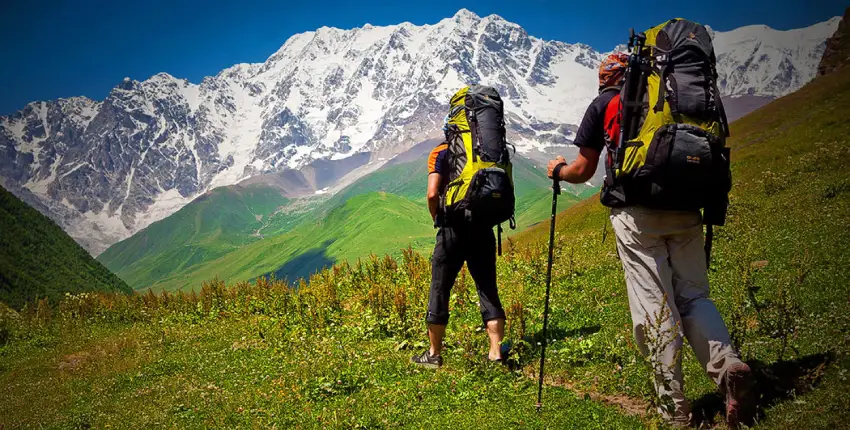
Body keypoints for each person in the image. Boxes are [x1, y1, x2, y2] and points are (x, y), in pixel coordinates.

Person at [546, 53, 753, 428]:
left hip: (637, 214)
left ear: (605, 78)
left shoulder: (607, 102)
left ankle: (674, 410)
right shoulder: (676, 100)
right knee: (694, 297)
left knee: (656, 309)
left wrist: (558, 171)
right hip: (688, 209)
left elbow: (584, 168)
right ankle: (728, 365)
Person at [410, 128, 507, 368]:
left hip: (452, 230)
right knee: (487, 289)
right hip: (483, 229)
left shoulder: (441, 152)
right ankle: (495, 352)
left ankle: (433, 355)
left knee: (439, 290)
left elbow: (433, 193)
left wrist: (438, 218)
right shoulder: (486, 152)